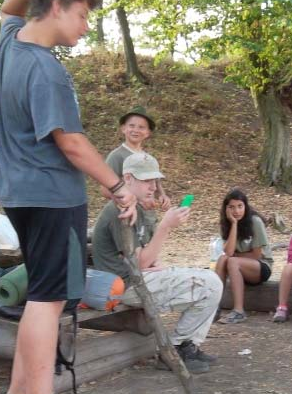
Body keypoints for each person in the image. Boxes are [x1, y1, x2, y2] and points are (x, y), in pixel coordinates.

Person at [0, 0, 137, 394]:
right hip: (51, 195)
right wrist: (117, 187)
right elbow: (71, 144)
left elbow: (6, 10)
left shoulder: (12, 43)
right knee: (49, 298)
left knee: (40, 291)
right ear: (56, 8)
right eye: (80, 15)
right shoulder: (45, 69)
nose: (85, 26)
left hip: (20, 193)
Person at [91, 153, 222, 372]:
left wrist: (155, 262)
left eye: (154, 180)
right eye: (146, 180)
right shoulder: (120, 210)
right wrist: (166, 227)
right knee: (209, 284)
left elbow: (142, 255)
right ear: (128, 178)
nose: (153, 186)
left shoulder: (138, 208)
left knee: (210, 280)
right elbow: (139, 263)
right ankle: (175, 349)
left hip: (135, 278)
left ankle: (186, 345)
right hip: (123, 286)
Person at [214, 188, 273, 325]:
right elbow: (228, 253)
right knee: (223, 259)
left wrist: (235, 256)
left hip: (261, 266)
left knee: (232, 261)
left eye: (240, 206)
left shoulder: (255, 222)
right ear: (226, 209)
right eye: (232, 207)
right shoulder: (227, 223)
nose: (236, 211)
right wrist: (234, 224)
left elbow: (257, 255)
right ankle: (214, 307)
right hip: (239, 266)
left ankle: (239, 311)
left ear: (245, 206)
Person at [103, 107, 170, 210]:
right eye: (132, 126)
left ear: (148, 133)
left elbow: (154, 184)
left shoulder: (148, 158)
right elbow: (105, 190)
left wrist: (162, 196)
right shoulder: (116, 156)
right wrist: (132, 200)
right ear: (123, 128)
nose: (136, 130)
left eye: (141, 127)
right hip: (126, 214)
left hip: (147, 216)